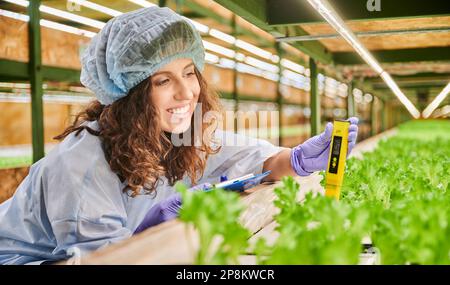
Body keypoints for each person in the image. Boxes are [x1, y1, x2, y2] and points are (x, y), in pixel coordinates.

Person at [0, 6, 358, 265]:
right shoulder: (82, 166)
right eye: (163, 80)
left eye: (189, 73)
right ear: (131, 93)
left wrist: (295, 160)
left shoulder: (175, 133)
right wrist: (147, 231)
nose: (187, 93)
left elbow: (238, 154)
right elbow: (103, 260)